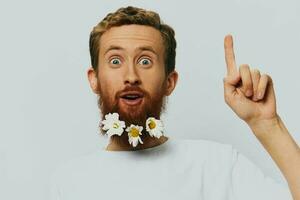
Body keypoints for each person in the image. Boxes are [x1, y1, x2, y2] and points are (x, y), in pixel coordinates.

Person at [50, 6, 300, 200]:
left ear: (170, 81)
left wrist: (268, 125)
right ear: (94, 80)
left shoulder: (216, 166)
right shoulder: (70, 182)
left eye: (145, 61)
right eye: (115, 61)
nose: (131, 76)